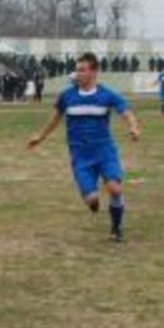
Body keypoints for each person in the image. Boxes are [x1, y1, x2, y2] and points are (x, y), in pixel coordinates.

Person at [27, 53, 141, 242]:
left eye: (82, 70)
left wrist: (134, 128)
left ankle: (116, 228)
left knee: (115, 189)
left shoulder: (107, 95)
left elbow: (126, 113)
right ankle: (93, 202)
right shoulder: (67, 96)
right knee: (92, 200)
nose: (78, 73)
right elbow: (55, 118)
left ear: (94, 72)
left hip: (104, 151)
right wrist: (40, 136)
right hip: (80, 155)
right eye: (77, 69)